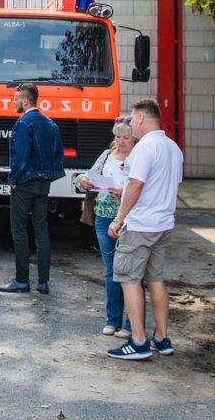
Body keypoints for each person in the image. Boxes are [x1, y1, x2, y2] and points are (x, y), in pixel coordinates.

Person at [107, 98, 184, 361]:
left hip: (140, 225)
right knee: (156, 279)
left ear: (140, 117)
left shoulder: (144, 148)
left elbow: (136, 185)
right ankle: (162, 338)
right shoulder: (173, 148)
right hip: (163, 224)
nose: (130, 121)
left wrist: (118, 219)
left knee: (129, 279)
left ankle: (138, 341)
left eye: (132, 117)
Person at [0, 83, 65, 295]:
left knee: (19, 230)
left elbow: (20, 157)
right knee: (41, 230)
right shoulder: (51, 124)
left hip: (24, 183)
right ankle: (43, 282)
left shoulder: (23, 123)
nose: (13, 102)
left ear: (25, 101)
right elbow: (58, 155)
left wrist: (13, 179)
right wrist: (49, 177)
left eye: (16, 99)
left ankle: (21, 280)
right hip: (43, 183)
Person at [79, 116, 134, 337]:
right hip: (102, 216)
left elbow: (141, 188)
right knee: (111, 271)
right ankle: (112, 319)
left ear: (134, 138)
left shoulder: (138, 158)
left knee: (129, 272)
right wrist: (83, 179)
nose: (121, 141)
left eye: (126, 137)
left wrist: (123, 193)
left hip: (128, 219)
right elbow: (88, 175)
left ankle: (131, 324)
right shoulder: (106, 155)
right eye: (118, 136)